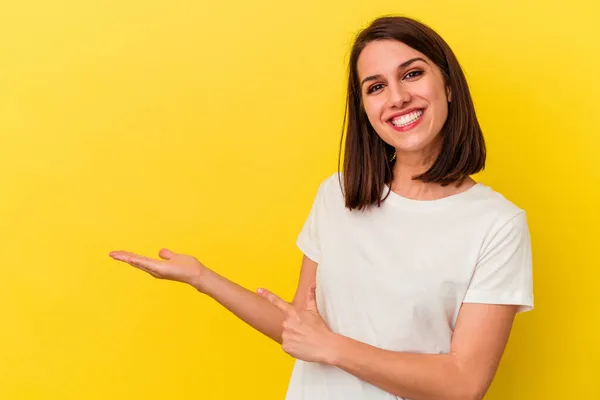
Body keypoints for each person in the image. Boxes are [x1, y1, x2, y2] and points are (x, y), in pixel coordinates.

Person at [109, 15, 533, 400]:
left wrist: (334, 348)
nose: (398, 97)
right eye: (377, 86)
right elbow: (300, 330)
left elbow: (463, 383)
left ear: (450, 86)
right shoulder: (339, 195)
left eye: (413, 74)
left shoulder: (497, 224)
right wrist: (201, 277)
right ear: (365, 109)